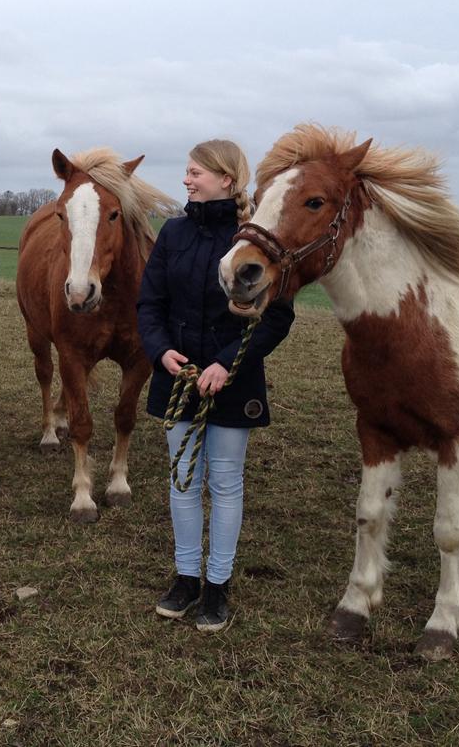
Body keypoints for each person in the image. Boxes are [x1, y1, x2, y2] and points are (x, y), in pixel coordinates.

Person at [137, 139, 295, 632]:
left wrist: (227, 364)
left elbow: (277, 317)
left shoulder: (255, 239)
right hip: (178, 378)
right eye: (187, 172)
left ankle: (217, 586)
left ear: (226, 179)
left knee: (225, 483)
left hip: (233, 381)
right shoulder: (173, 233)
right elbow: (149, 304)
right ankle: (186, 578)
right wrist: (160, 350)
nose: (186, 180)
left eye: (195, 172)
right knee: (182, 480)